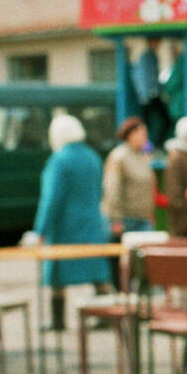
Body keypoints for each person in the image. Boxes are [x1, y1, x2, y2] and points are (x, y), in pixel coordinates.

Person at [30, 115, 112, 330]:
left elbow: (51, 199)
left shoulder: (59, 161)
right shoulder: (92, 157)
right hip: (92, 222)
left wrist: (40, 230)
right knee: (97, 271)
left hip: (65, 225)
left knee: (58, 272)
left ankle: (58, 321)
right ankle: (107, 315)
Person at [102, 116, 157, 239]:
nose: (145, 137)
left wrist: (149, 212)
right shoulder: (119, 157)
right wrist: (115, 219)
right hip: (125, 220)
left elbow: (148, 187)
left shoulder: (143, 157)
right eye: (142, 133)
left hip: (143, 219)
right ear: (130, 134)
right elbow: (112, 188)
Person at [132, 37, 170, 150]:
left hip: (150, 95)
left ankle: (151, 146)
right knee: (149, 123)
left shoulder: (150, 56)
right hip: (149, 96)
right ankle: (151, 146)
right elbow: (144, 77)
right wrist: (148, 94)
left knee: (151, 122)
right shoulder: (147, 57)